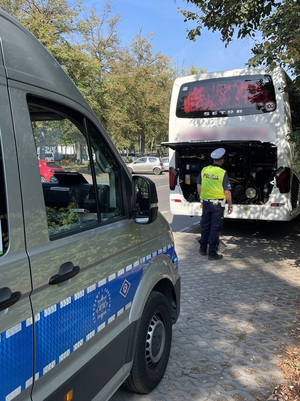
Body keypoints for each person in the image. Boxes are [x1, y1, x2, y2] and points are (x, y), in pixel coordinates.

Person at [197, 148, 233, 260]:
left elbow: (199, 185)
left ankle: (203, 249)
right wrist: (230, 205)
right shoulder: (222, 173)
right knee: (215, 228)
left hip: (206, 203)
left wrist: (201, 197)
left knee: (205, 225)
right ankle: (212, 253)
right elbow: (227, 192)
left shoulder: (204, 170)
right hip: (217, 205)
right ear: (221, 160)